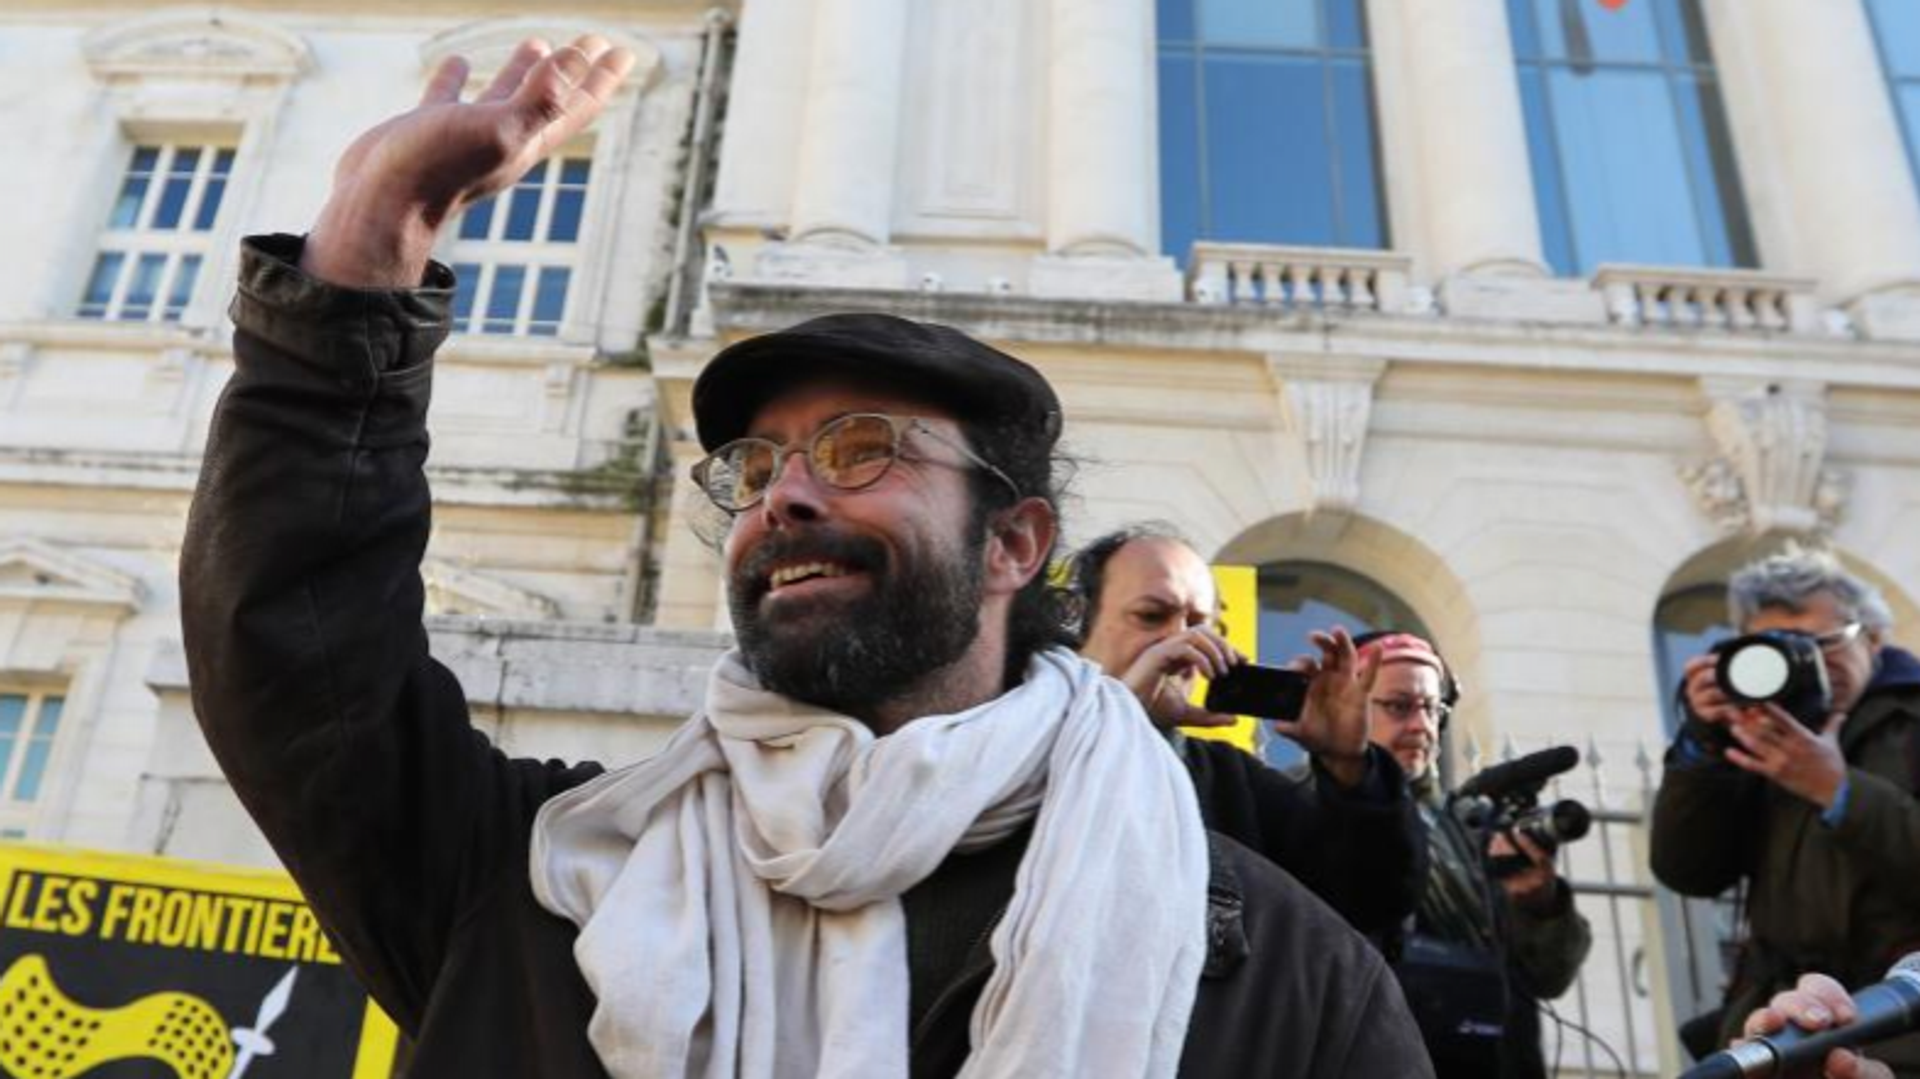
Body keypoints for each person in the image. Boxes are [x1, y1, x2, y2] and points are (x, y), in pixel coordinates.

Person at [178, 36, 1434, 1079]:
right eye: (756, 465)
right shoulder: (549, 870)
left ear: (1013, 542)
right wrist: (370, 242)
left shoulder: (1293, 978)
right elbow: (300, 654)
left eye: (859, 447)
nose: (781, 495)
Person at [1070, 525, 1424, 939]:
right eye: (1151, 616)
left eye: (1199, 623)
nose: (1182, 641)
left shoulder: (1235, 782)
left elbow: (1372, 902)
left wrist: (1350, 769)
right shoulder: (1026, 740)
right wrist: (1120, 721)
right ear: (1081, 629)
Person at [1652, 547, 1920, 1075]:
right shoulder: (1753, 736)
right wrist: (1703, 748)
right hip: (1780, 1029)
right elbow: (1686, 870)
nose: (1806, 663)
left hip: (1900, 1021)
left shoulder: (1911, 721)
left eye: (1822, 643)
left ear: (1872, 637)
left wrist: (1837, 789)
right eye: (1779, 647)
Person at [1356, 631, 1592, 1079]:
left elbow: (1550, 977)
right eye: (1399, 706)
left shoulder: (1476, 823)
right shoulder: (1297, 806)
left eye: (1431, 709)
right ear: (1347, 705)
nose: (1421, 726)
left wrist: (1539, 904)